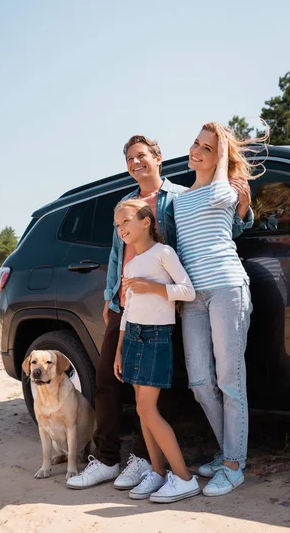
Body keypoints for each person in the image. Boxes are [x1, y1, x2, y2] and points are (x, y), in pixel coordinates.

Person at [66, 135, 253, 491]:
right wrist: (111, 296)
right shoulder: (125, 203)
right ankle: (106, 459)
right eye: (129, 159)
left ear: (158, 158)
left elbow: (214, 228)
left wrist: (243, 210)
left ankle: (147, 460)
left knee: (152, 387)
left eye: (142, 156)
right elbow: (116, 255)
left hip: (166, 302)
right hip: (127, 303)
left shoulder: (180, 197)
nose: (136, 163)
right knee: (108, 378)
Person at [173, 122, 265, 497]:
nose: (197, 151)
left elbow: (231, 204)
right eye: (196, 143)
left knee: (230, 380)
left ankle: (232, 465)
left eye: (207, 148)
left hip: (227, 287)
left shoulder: (225, 190)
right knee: (199, 382)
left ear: (220, 156)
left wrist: (224, 147)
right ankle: (227, 451)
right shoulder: (178, 198)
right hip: (193, 297)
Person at [111, 198, 201, 503]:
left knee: (147, 409)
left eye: (126, 221)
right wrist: (119, 349)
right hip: (133, 336)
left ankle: (185, 478)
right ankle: (159, 473)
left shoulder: (163, 253)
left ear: (146, 221)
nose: (121, 228)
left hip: (156, 336)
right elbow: (127, 309)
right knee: (141, 409)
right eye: (118, 224)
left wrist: (155, 288)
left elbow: (187, 291)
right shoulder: (132, 263)